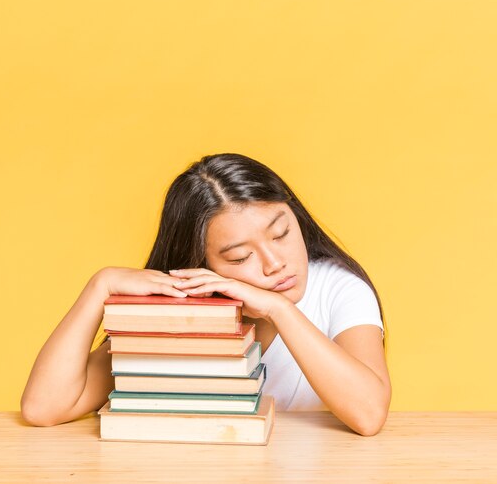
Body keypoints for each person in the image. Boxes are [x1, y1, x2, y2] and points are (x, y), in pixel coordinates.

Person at [21, 153, 391, 435]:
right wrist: (98, 287)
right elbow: (44, 407)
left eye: (281, 234)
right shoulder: (184, 310)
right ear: (202, 264)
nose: (274, 263)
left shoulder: (339, 288)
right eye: (240, 256)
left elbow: (369, 414)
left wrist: (279, 309)